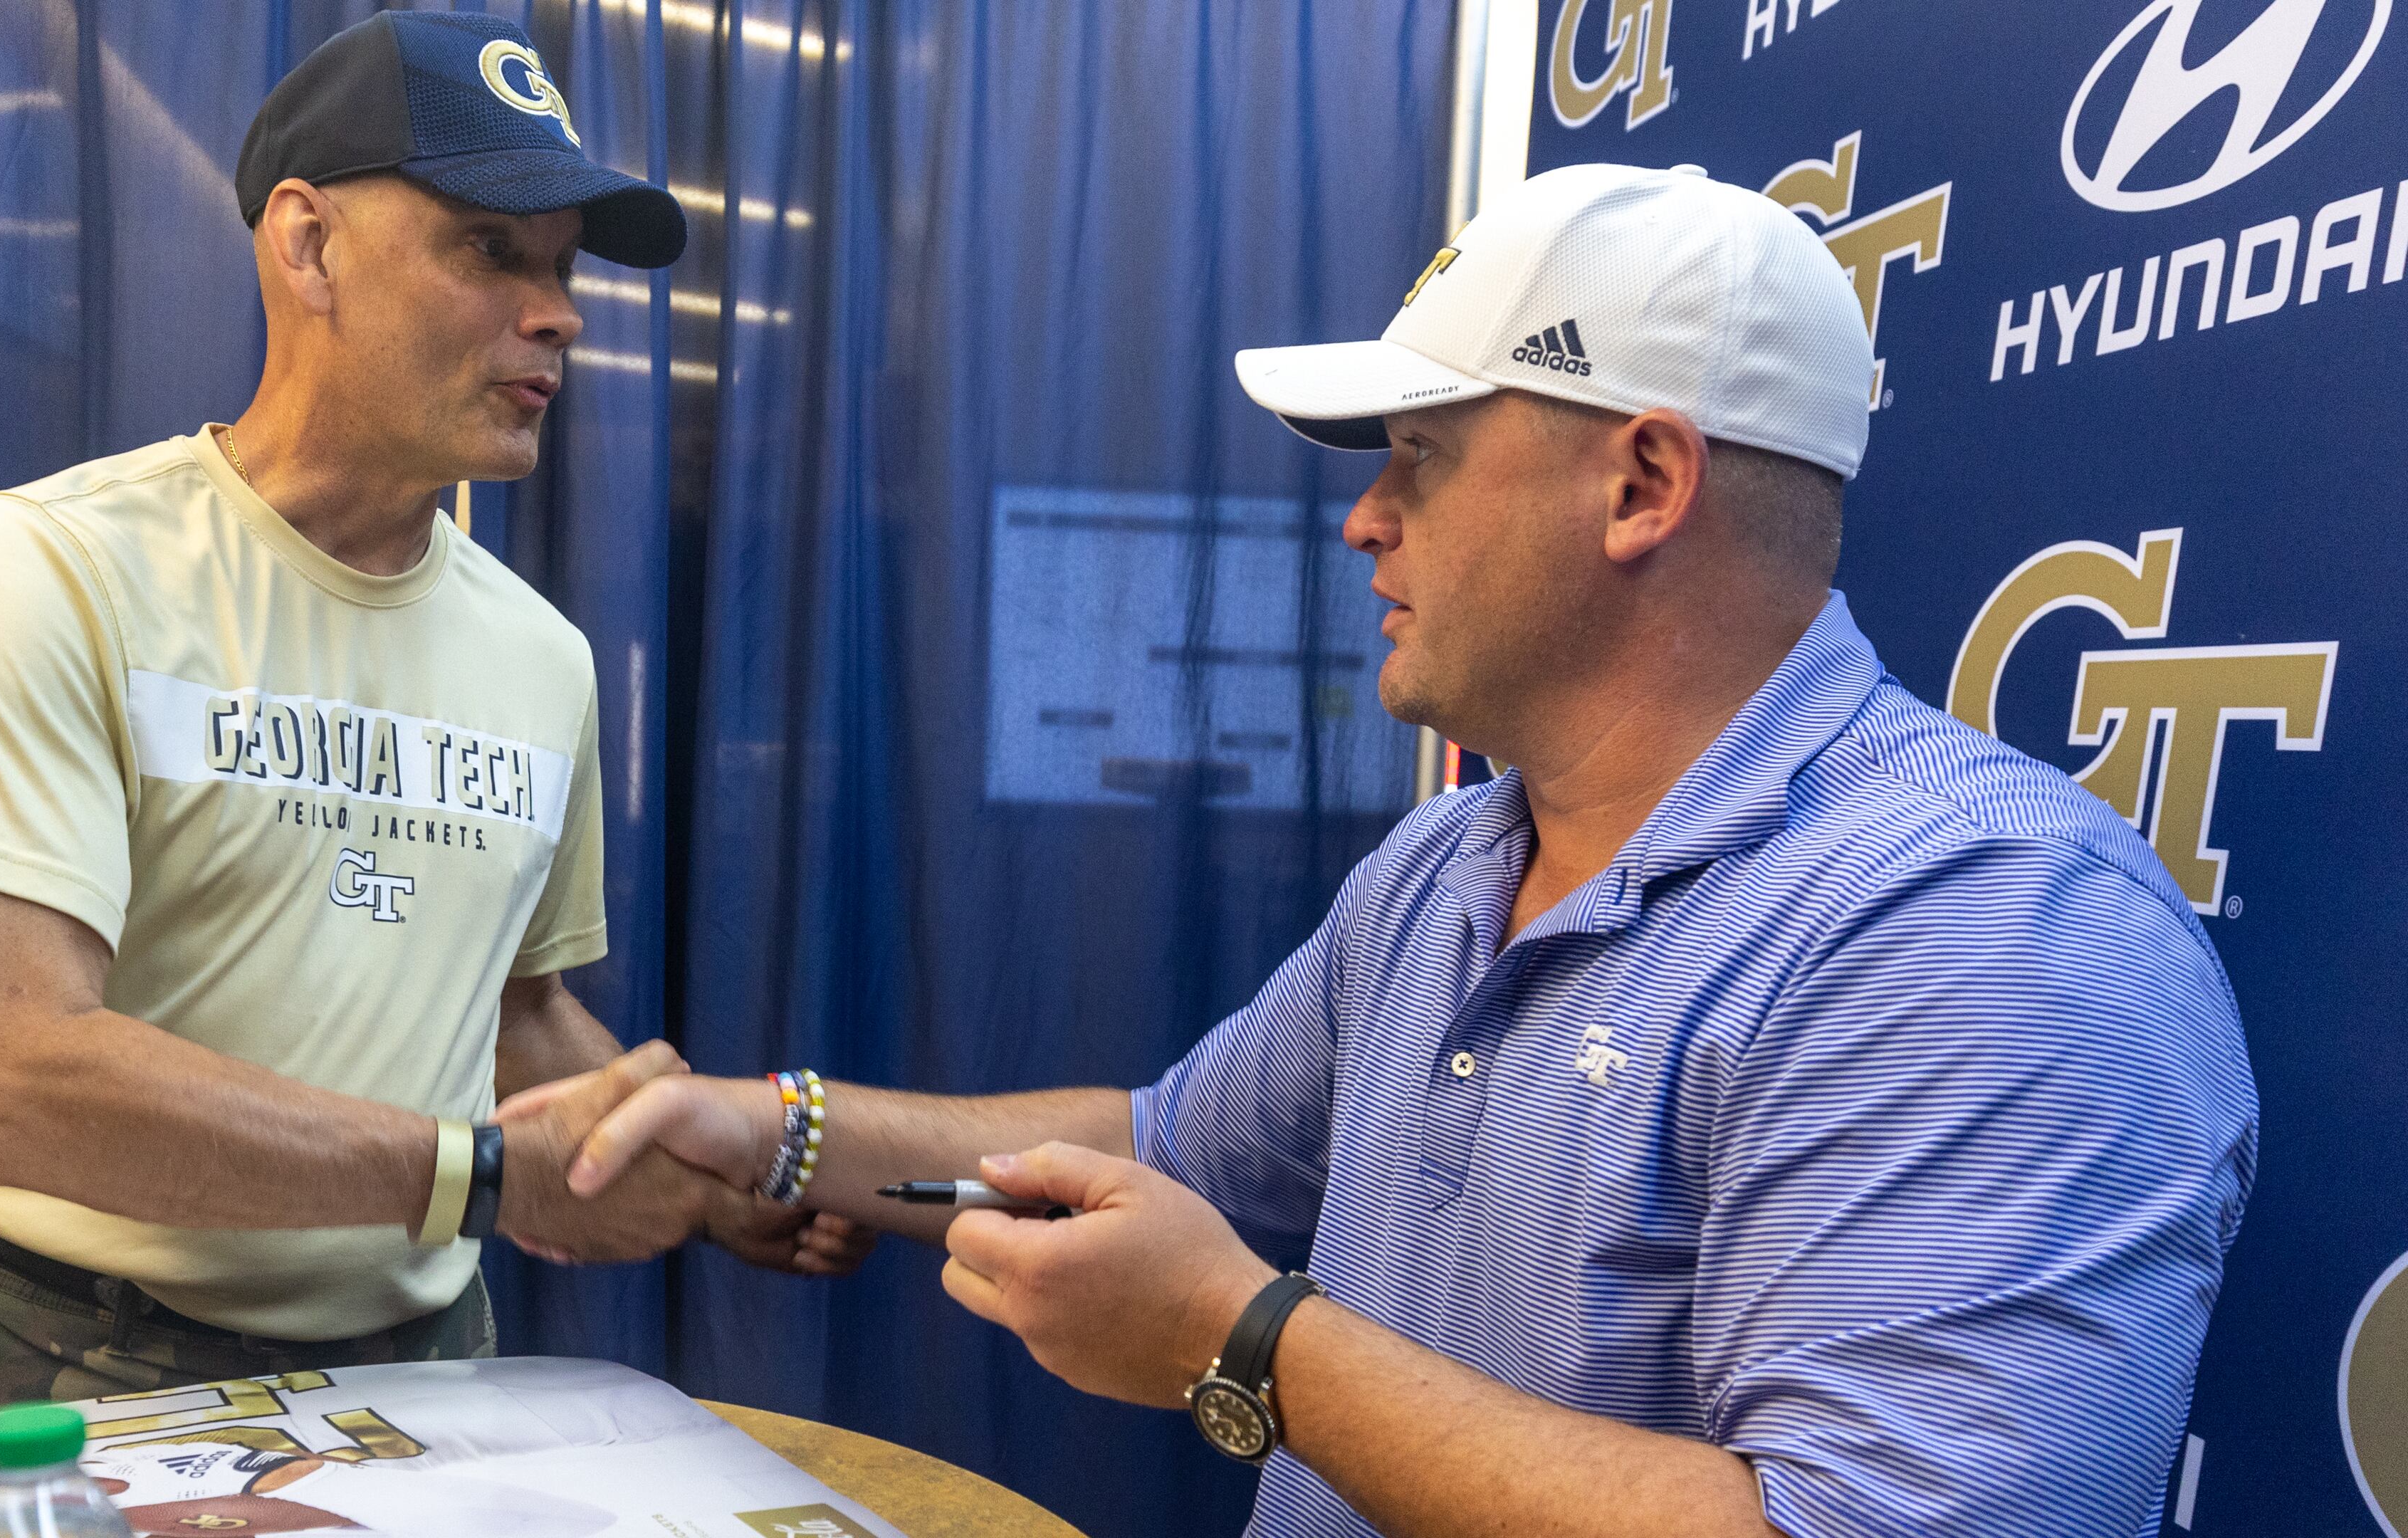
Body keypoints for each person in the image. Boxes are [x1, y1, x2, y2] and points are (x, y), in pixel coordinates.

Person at [507, 164, 2260, 1538]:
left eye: (1421, 454)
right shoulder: (1443, 869)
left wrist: (1245, 1344)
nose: (1364, 516)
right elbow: (1169, 1144)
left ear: (1643, 483)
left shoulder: (1986, 933)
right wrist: (777, 1127)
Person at [0, 11, 862, 1427]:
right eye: (489, 249)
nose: (558, 313)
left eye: (563, 270)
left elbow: (508, 1013)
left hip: (420, 1362)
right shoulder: (46, 568)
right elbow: (1, 1076)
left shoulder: (543, 657)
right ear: (308, 245)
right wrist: (480, 1176)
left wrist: (681, 1161)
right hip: (60, 1357)